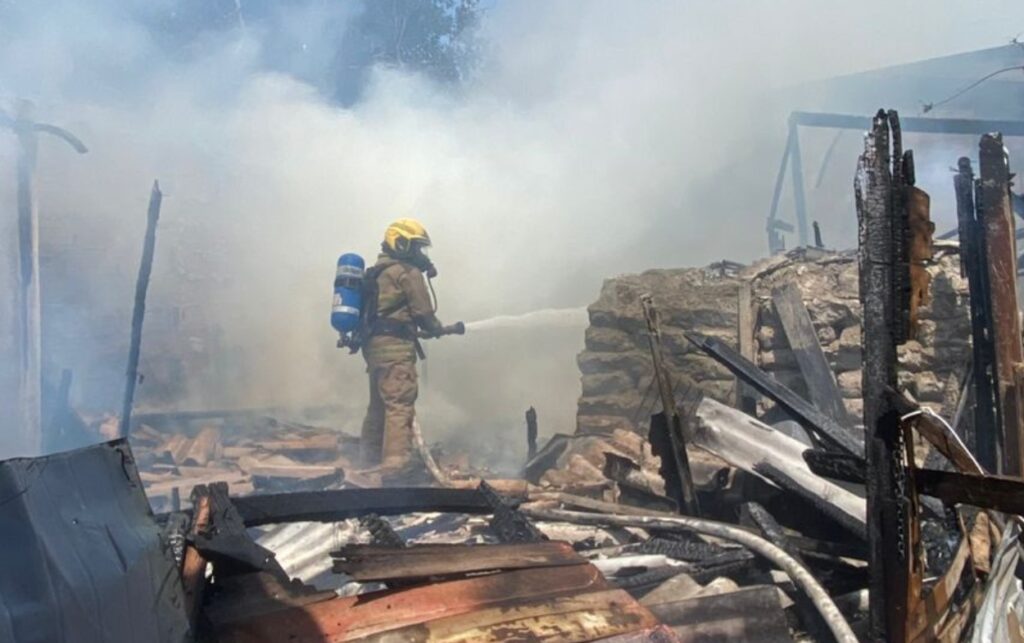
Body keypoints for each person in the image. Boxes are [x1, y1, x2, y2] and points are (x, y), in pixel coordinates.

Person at [360, 218, 445, 479]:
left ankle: (368, 461)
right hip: (396, 351)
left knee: (378, 405)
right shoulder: (407, 273)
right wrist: (436, 327)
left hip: (374, 350)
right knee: (399, 405)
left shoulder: (377, 272)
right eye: (416, 248)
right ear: (401, 243)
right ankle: (395, 469)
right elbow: (424, 313)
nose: (419, 254)